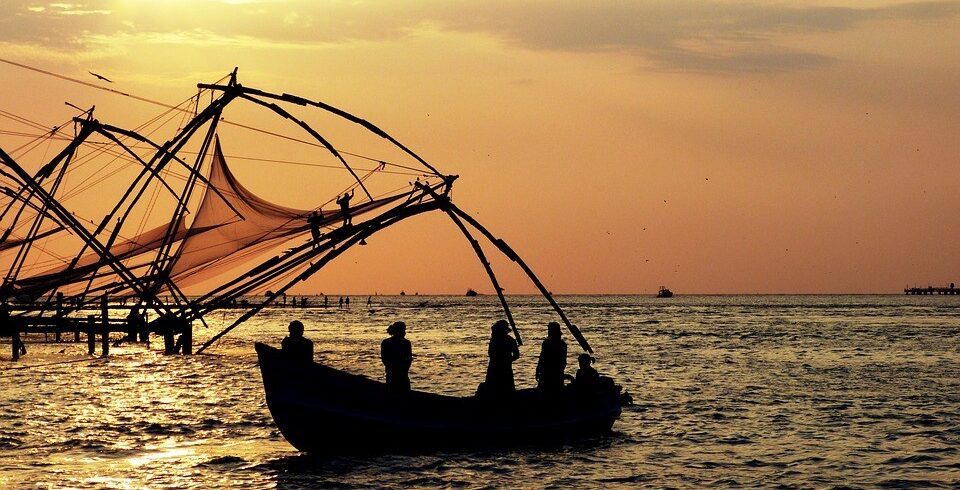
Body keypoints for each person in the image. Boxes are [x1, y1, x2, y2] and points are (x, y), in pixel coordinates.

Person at [485, 319, 520, 396]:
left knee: (495, 388)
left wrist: (507, 360)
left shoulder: (495, 340)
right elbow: (516, 355)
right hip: (501, 366)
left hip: (496, 367)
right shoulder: (510, 340)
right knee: (506, 388)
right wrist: (509, 360)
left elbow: (490, 353)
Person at [536, 321, 567, 394]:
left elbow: (542, 358)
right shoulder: (560, 344)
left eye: (549, 330)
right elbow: (542, 357)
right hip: (549, 372)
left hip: (551, 372)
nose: (548, 332)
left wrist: (539, 369)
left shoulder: (549, 343)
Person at [380, 321, 412, 392]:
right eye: (403, 330)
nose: (405, 332)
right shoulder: (406, 343)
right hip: (399, 374)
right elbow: (408, 359)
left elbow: (384, 359)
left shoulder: (386, 342)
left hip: (393, 374)